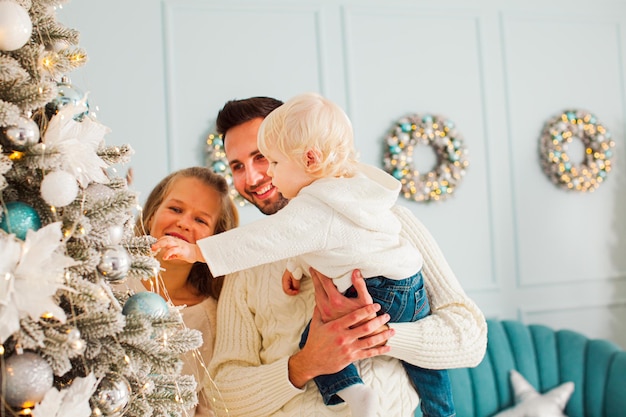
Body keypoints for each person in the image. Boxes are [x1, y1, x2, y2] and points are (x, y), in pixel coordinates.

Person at [153, 93, 458, 416]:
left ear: (303, 155)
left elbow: (468, 338)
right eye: (237, 166)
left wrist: (368, 334)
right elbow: (224, 396)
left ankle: (359, 395)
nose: (254, 177)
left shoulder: (391, 222)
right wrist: (305, 363)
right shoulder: (249, 264)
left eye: (264, 158)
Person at [118, 167, 239, 417]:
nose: (183, 223)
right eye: (175, 209)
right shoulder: (110, 277)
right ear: (151, 215)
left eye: (200, 220)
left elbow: (207, 406)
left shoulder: (212, 320)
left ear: (213, 243)